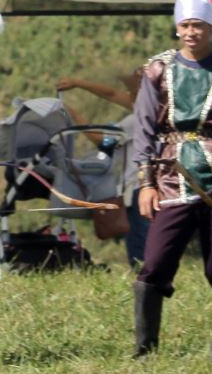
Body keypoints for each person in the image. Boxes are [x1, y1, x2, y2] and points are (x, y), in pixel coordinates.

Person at [129, 0, 212, 361]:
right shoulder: (157, 69)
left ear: (210, 28)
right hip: (170, 176)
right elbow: (143, 128)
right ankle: (145, 350)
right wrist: (145, 184)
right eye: (185, 25)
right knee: (155, 261)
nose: (191, 32)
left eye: (198, 25)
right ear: (177, 27)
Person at [58, 71, 147, 266]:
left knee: (140, 249)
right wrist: (78, 82)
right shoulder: (155, 112)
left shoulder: (135, 121)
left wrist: (74, 115)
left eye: (131, 91)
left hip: (139, 189)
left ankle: (144, 278)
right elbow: (112, 94)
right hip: (154, 186)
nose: (127, 95)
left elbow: (100, 140)